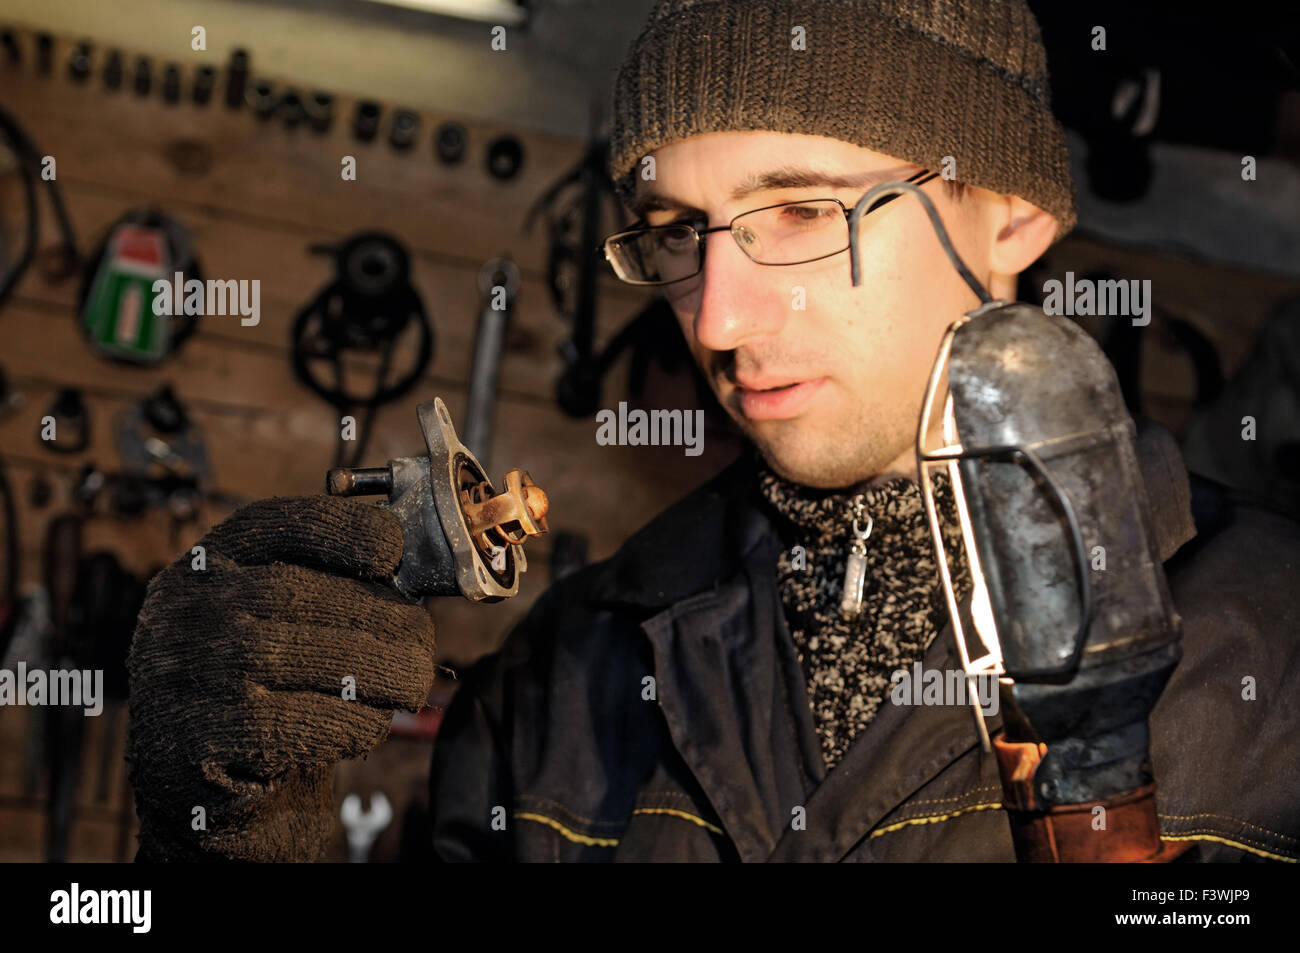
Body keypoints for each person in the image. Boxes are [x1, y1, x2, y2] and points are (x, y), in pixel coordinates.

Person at [127, 0, 1300, 862]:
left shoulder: (1277, 650)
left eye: (800, 209)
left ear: (1012, 215)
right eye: (680, 230)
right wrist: (230, 829)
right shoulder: (563, 673)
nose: (721, 318)